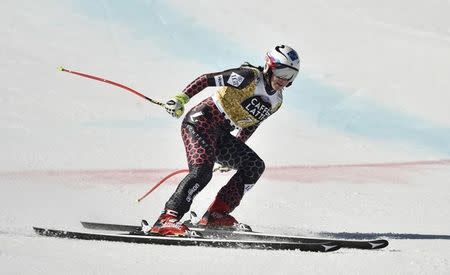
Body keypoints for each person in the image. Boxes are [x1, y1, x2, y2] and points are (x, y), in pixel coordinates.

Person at [148, 45, 300, 236]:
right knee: (202, 172)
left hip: (221, 134)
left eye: (291, 75)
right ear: (269, 66)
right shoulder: (248, 77)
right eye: (282, 71)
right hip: (200, 123)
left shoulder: (276, 101)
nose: (284, 79)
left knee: (253, 166)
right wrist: (181, 98)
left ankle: (216, 215)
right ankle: (167, 219)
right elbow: (207, 79)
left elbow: (251, 123)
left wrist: (237, 150)